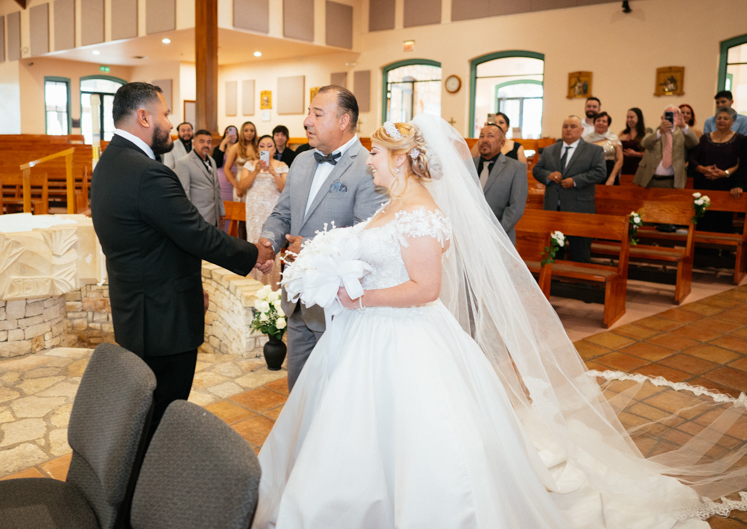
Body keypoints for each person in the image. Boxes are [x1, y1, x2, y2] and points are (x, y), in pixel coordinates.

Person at [253, 114, 747, 529]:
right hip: (368, 333)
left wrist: (359, 298)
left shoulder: (421, 213)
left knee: (417, 439)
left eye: (377, 155)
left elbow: (426, 289)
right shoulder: (393, 205)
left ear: (401, 158)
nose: (370, 162)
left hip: (399, 335)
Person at [90, 82, 273, 435]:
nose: (171, 123)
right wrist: (254, 254)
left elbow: (157, 240)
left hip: (137, 311)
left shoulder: (109, 163)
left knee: (143, 412)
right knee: (161, 416)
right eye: (166, 114)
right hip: (163, 319)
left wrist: (192, 285)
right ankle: (148, 487)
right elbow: (195, 233)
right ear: (143, 116)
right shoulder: (147, 173)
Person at [258, 85, 388, 390]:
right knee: (299, 391)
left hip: (338, 305)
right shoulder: (302, 161)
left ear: (344, 121)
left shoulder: (368, 166)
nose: (307, 121)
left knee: (333, 396)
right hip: (298, 301)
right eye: (308, 112)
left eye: (317, 114)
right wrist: (267, 242)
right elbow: (283, 213)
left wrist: (313, 246)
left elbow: (368, 238)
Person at [532, 115, 606, 262]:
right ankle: (553, 281)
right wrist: (549, 175)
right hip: (554, 207)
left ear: (581, 130)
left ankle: (582, 283)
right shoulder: (549, 150)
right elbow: (537, 170)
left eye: (573, 126)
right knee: (554, 250)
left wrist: (576, 181)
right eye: (565, 126)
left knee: (580, 251)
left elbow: (600, 172)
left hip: (579, 208)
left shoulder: (593, 150)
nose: (568, 129)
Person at [239, 135, 289, 287]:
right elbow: (241, 187)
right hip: (254, 213)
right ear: (258, 149)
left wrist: (274, 173)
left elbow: (286, 190)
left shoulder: (281, 165)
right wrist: (256, 171)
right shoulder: (250, 165)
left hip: (272, 212)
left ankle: (272, 289)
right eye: (262, 146)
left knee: (270, 244)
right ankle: (252, 286)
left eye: (269, 146)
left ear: (274, 149)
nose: (266, 149)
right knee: (253, 244)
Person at [472, 124, 527, 243]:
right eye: (481, 136)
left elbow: (516, 207)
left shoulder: (516, 168)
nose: (484, 140)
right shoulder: (468, 165)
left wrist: (496, 233)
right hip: (469, 234)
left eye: (490, 136)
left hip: (499, 237)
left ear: (502, 143)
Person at [690, 106, 741, 233]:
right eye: (719, 118)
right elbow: (692, 159)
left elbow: (742, 164)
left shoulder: (740, 140)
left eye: (726, 118)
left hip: (726, 187)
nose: (721, 120)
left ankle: (721, 252)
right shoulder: (705, 138)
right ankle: (698, 251)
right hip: (704, 185)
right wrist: (703, 169)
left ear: (733, 122)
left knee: (722, 222)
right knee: (702, 220)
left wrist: (726, 173)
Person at [633, 105, 698, 189]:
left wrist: (684, 126)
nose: (672, 117)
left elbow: (695, 142)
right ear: (662, 117)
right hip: (649, 180)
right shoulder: (653, 130)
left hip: (673, 182)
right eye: (669, 114)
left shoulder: (684, 133)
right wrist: (660, 132)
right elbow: (644, 143)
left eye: (675, 114)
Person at [174, 129, 225, 228]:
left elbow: (217, 188)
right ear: (194, 143)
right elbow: (184, 194)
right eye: (202, 141)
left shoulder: (212, 161)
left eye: (208, 142)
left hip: (214, 216)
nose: (206, 144)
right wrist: (189, 219)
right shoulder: (184, 163)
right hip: (198, 218)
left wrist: (221, 212)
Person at [584, 111, 623, 185]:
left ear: (608, 124)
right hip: (591, 172)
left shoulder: (614, 138)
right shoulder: (586, 139)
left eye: (604, 121)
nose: (601, 123)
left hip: (609, 172)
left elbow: (619, 161)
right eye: (598, 120)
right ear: (594, 123)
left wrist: (612, 177)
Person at [223, 121, 258, 200]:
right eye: (246, 131)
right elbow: (226, 169)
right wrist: (236, 186)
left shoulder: (259, 147)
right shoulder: (236, 147)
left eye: (252, 131)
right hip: (240, 183)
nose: (249, 133)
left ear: (255, 132)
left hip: (256, 183)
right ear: (242, 132)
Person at [619, 107, 651, 175]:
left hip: (638, 168)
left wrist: (635, 154)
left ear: (639, 118)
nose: (629, 120)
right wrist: (619, 139)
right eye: (627, 117)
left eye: (631, 117)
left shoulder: (645, 134)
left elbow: (650, 153)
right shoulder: (623, 133)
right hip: (623, 168)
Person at [212, 125, 239, 203]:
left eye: (234, 133)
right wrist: (223, 143)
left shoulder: (241, 149)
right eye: (228, 132)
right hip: (220, 185)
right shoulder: (218, 148)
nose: (231, 135)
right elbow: (216, 164)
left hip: (235, 183)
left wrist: (237, 174)